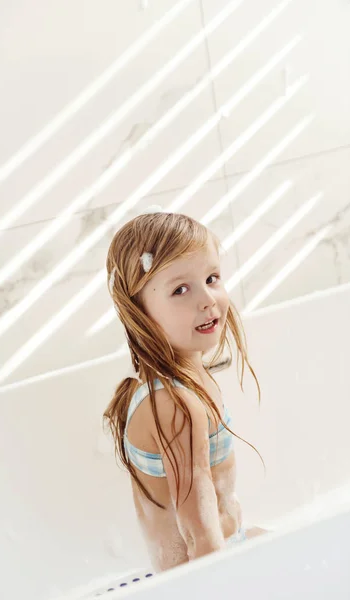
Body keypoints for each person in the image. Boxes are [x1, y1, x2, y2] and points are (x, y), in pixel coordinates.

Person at [103, 206, 268, 573]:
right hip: (196, 577)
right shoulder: (176, 404)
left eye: (212, 278)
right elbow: (199, 536)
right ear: (140, 312)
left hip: (222, 550)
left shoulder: (189, 379)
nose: (207, 299)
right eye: (180, 289)